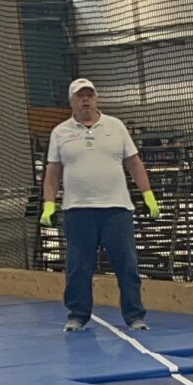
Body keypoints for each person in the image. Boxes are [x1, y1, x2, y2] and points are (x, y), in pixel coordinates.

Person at [40, 77, 163, 333]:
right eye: (80, 95)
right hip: (78, 211)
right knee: (78, 267)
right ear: (71, 101)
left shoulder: (116, 127)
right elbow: (53, 171)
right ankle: (77, 316)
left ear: (96, 99)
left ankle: (134, 316)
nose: (85, 99)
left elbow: (134, 163)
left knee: (127, 265)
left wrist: (148, 194)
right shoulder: (60, 132)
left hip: (117, 209)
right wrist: (48, 203)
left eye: (90, 95)